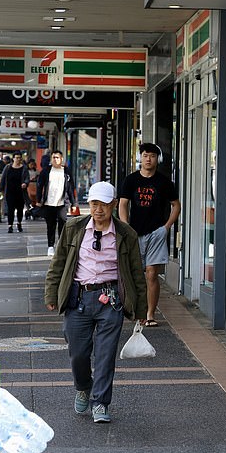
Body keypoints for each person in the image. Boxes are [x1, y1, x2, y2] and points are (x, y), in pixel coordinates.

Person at [45, 181, 147, 423]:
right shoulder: (73, 227)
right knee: (78, 353)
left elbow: (136, 273)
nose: (98, 209)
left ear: (113, 205)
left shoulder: (126, 234)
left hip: (111, 300)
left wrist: (142, 309)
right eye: (93, 204)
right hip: (78, 298)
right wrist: (51, 294)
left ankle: (100, 403)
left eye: (103, 204)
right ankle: (83, 386)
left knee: (105, 355)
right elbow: (58, 263)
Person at [118, 142, 181, 327]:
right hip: (134, 233)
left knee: (152, 274)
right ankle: (135, 309)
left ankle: (150, 314)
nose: (148, 159)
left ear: (157, 159)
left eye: (152, 156)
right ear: (140, 158)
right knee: (134, 273)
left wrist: (167, 227)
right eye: (145, 155)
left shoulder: (164, 182)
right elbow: (123, 204)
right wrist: (125, 226)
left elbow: (176, 205)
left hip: (156, 233)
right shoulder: (131, 180)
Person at [36, 149, 76, 256]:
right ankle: (50, 246)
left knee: (63, 224)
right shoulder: (45, 171)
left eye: (57, 157)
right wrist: (38, 200)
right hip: (49, 203)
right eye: (53, 157)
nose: (55, 159)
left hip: (62, 203)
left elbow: (71, 188)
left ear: (61, 159)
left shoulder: (66, 172)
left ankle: (61, 245)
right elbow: (39, 186)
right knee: (51, 225)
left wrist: (74, 204)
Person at [0, 150, 29, 233]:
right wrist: (0, 190)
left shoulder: (24, 168)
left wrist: (25, 183)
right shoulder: (8, 167)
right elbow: (3, 178)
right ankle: (10, 226)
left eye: (20, 158)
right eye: (17, 158)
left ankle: (19, 223)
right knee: (10, 209)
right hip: (10, 192)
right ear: (13, 158)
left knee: (20, 209)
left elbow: (27, 178)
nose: (18, 159)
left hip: (20, 193)